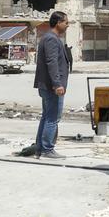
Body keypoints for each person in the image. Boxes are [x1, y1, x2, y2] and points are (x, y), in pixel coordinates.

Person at [33, 11, 72, 159]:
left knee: (47, 117)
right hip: (52, 87)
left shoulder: (51, 38)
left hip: (49, 86)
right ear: (58, 23)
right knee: (52, 118)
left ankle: (40, 148)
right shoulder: (51, 39)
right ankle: (47, 149)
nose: (67, 25)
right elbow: (52, 62)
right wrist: (57, 84)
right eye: (66, 22)